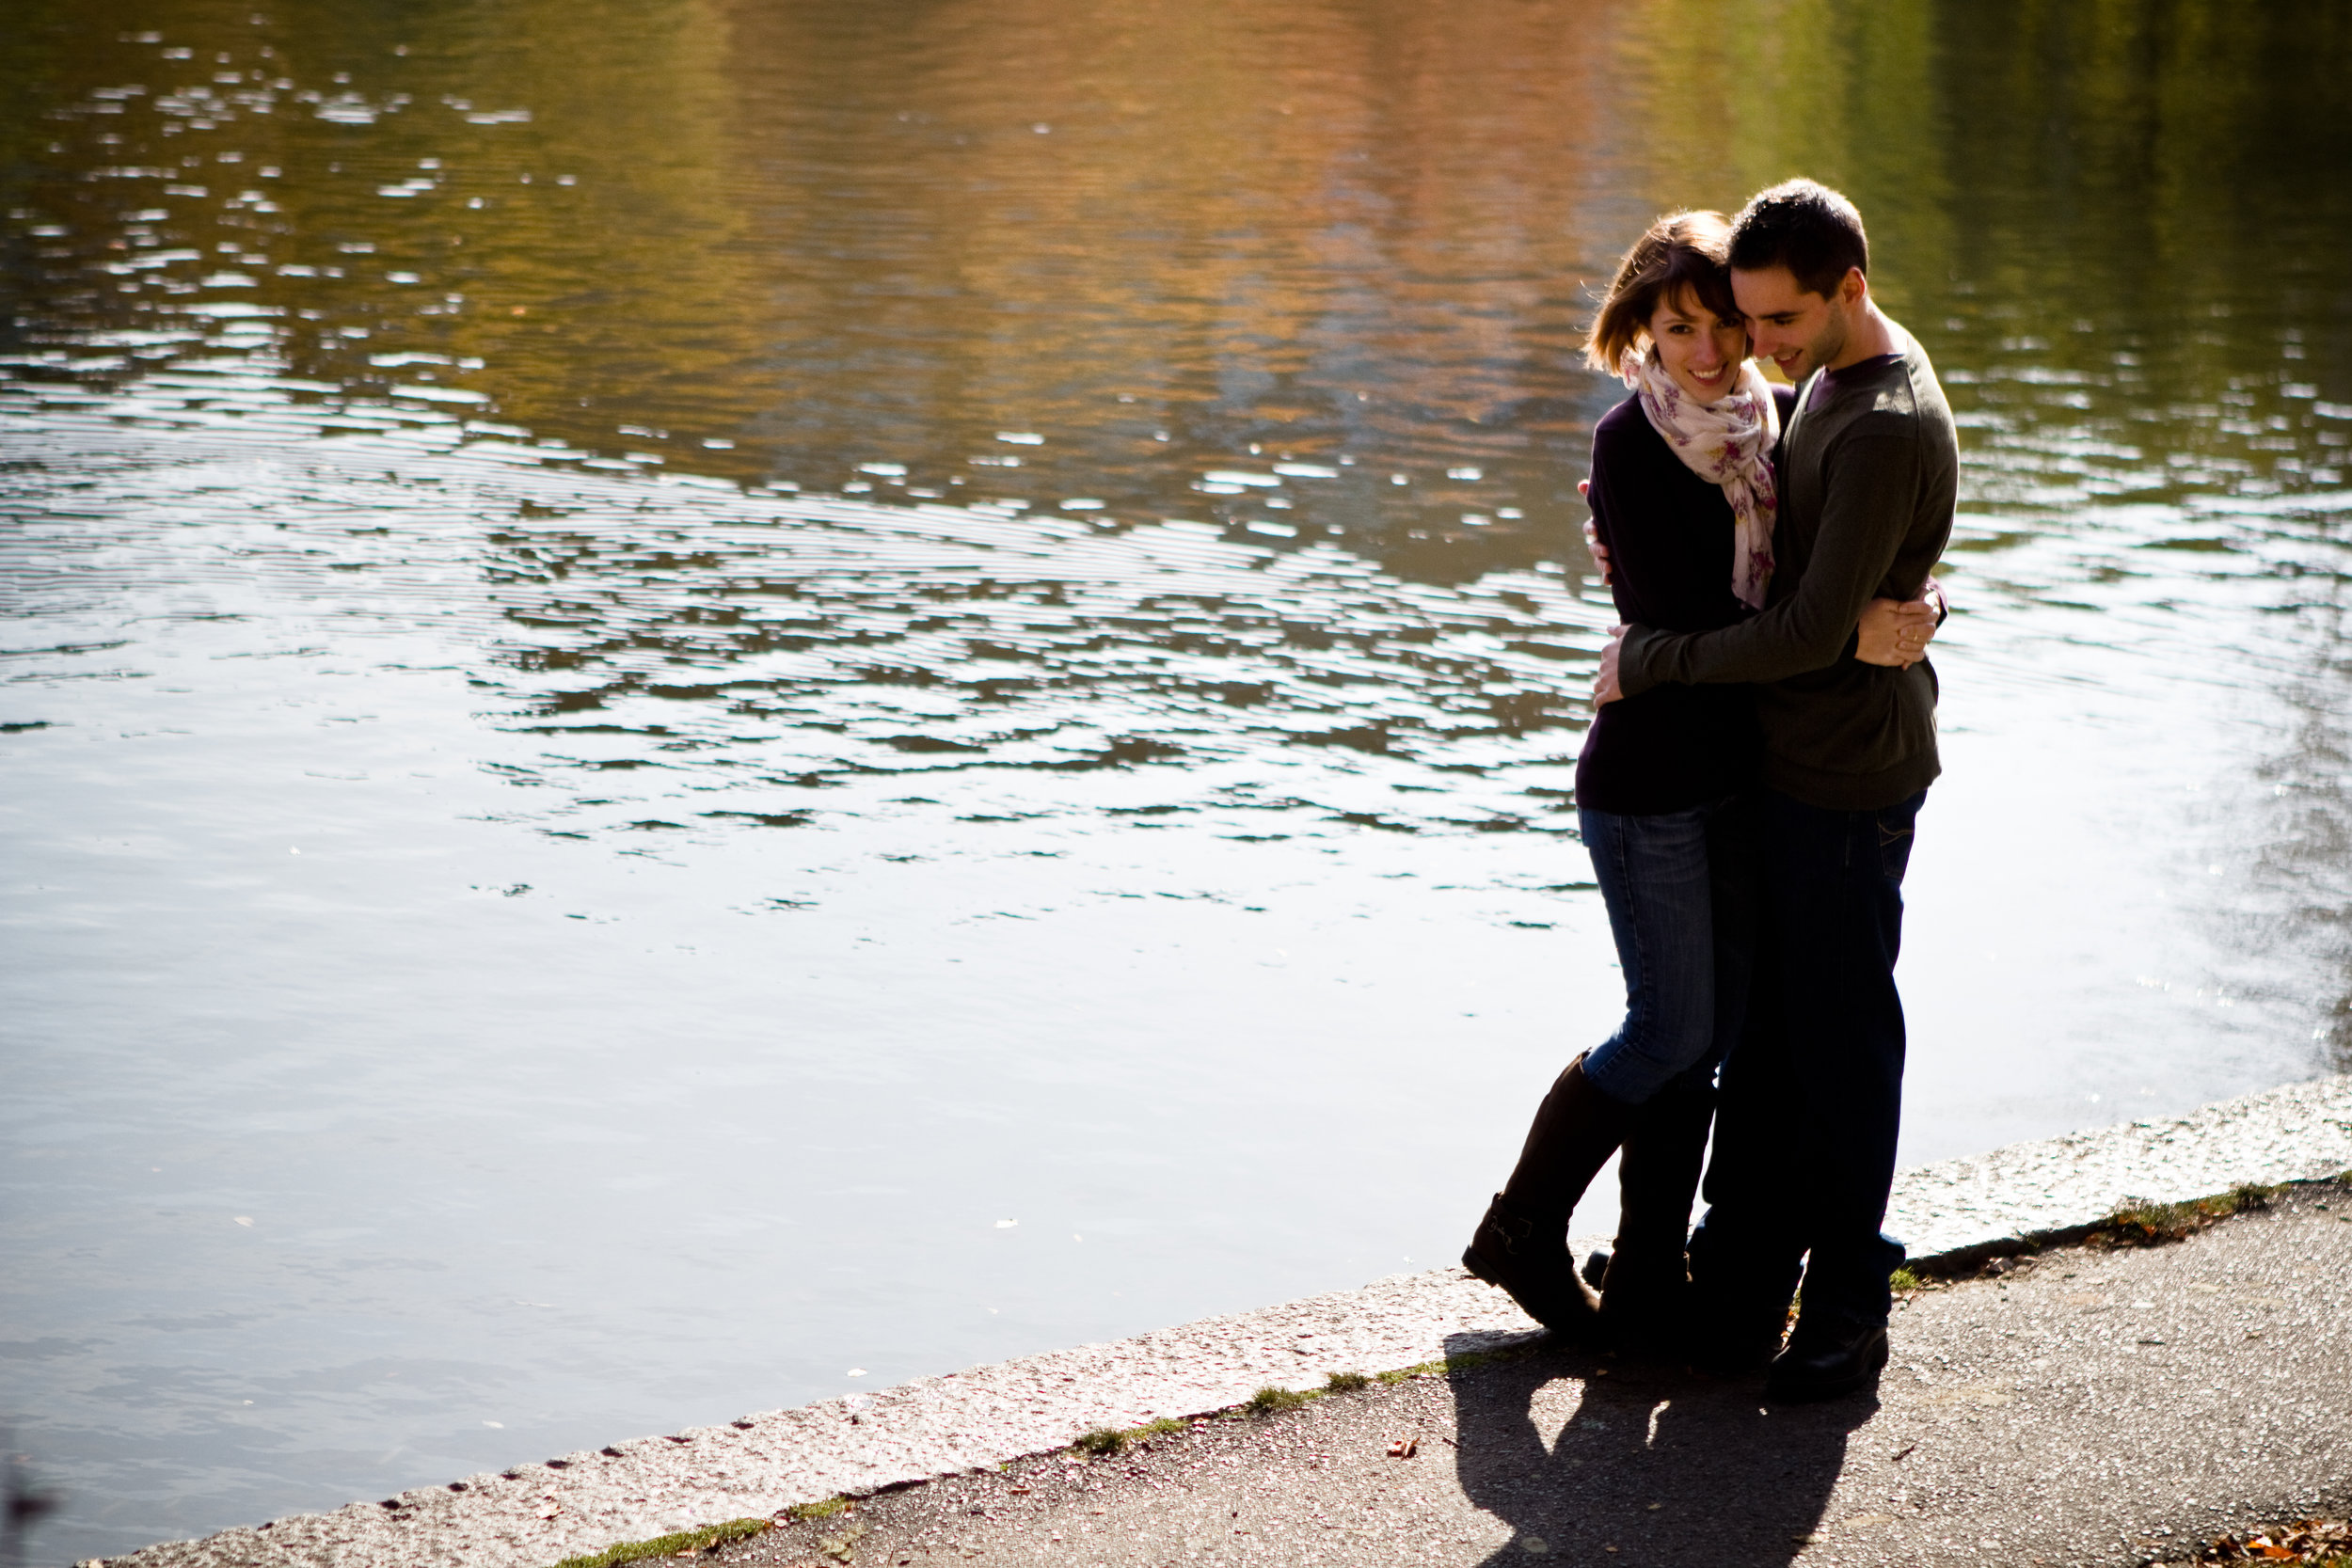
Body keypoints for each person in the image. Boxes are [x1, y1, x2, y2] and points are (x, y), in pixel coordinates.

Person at [1462, 208, 1936, 1345]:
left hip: (1737, 771)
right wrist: (1837, 627)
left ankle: (1645, 1282)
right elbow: (1691, 619)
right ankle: (1519, 1227)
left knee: (1706, 1038)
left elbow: (1828, 569)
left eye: (1728, 324)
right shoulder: (1636, 441)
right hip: (1651, 779)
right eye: (1682, 329)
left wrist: (1894, 606)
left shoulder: (1760, 421)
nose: (1715, 351)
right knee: (1671, 1033)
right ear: (1642, 328)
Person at [1592, 179, 1959, 1401]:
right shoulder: (1822, 382)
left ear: (1851, 288)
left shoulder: (1882, 417)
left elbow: (1809, 627)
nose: (1758, 349)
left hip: (1848, 775)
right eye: (1747, 321)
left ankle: (1850, 1303)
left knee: (1841, 1043)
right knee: (1769, 1045)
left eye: (1780, 323)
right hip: (1786, 760)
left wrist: (1654, 658)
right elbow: (1841, 581)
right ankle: (1736, 1274)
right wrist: (1913, 597)